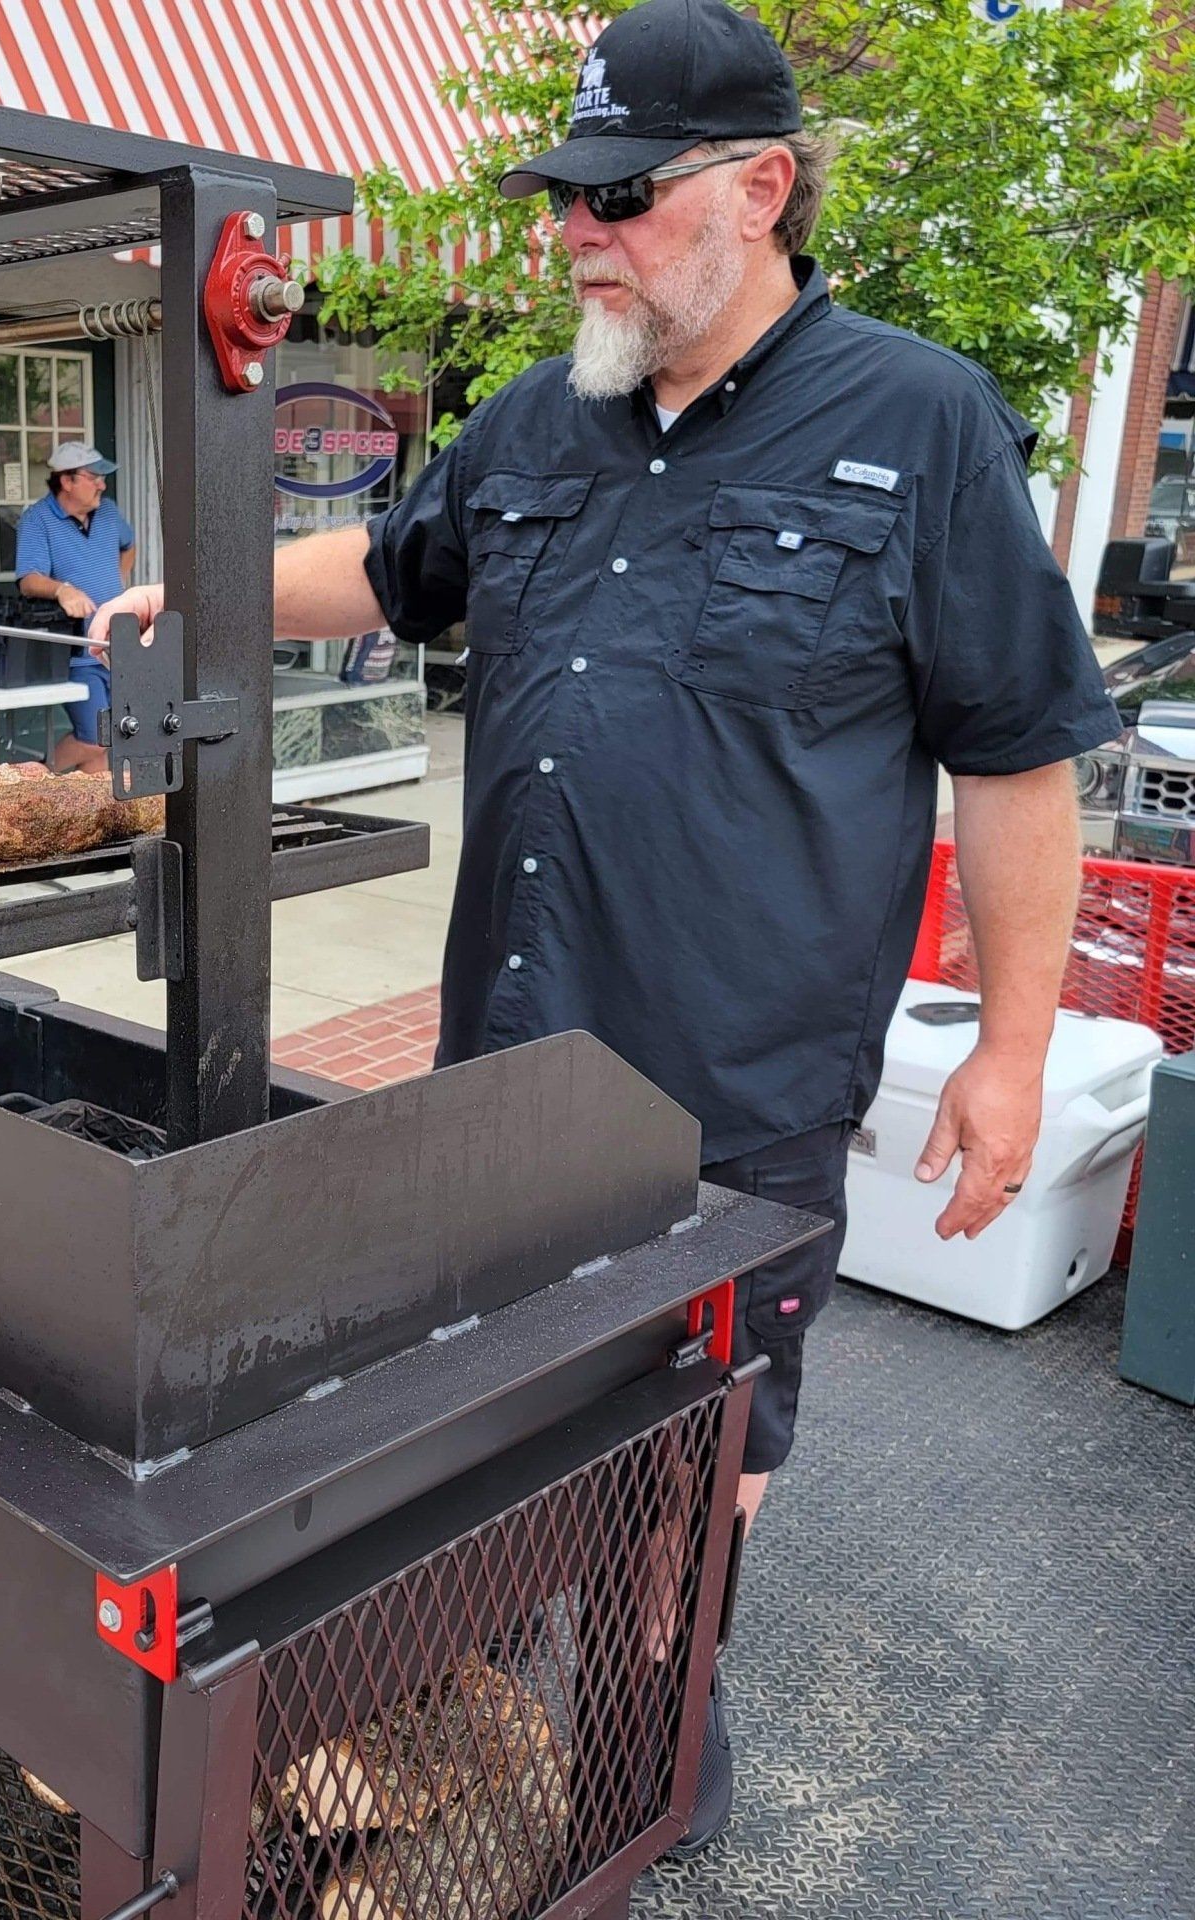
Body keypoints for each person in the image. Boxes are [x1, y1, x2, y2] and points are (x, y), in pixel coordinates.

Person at [91, 0, 1121, 1853]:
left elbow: (1021, 757)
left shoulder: (923, 423)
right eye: (565, 195)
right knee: (483, 1425)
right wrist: (201, 587)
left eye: (619, 198)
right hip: (508, 1060)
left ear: (760, 188)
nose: (578, 232)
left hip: (735, 1094)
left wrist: (1016, 1055)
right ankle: (473, 1719)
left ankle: (653, 1728)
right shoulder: (536, 423)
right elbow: (395, 576)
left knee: (696, 1468)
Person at [14, 441, 135, 772]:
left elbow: (129, 545)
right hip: (78, 652)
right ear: (66, 481)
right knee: (96, 739)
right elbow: (28, 579)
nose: (102, 484)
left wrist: (118, 582)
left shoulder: (108, 511)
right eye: (94, 477)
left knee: (111, 741)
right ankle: (31, 786)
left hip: (120, 645)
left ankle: (94, 815)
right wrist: (62, 590)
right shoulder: (37, 520)